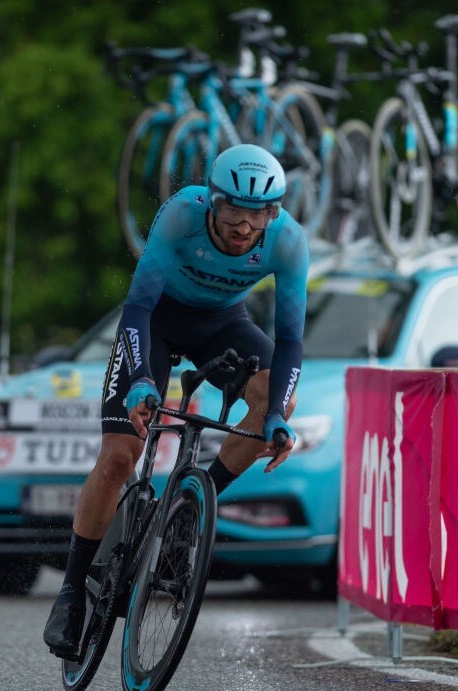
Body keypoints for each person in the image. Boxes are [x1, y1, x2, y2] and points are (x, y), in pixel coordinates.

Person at [43, 143, 309, 658]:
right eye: (232, 208)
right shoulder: (181, 215)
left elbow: (291, 343)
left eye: (259, 212)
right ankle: (72, 590)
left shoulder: (289, 241)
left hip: (224, 325)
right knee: (120, 456)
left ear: (275, 212)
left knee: (279, 401)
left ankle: (192, 505)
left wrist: (275, 413)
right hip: (156, 322)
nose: (243, 224)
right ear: (212, 200)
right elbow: (138, 306)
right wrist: (143, 379)